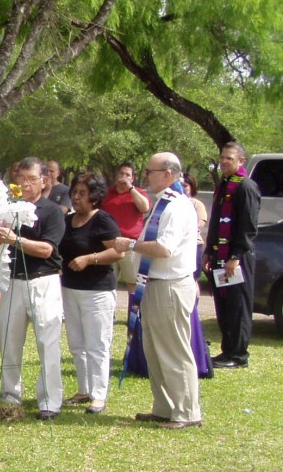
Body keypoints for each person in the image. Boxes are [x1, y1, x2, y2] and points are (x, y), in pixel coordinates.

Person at [114, 152, 202, 429]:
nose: (145, 176)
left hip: (170, 285)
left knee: (174, 350)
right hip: (154, 283)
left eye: (149, 172)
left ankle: (187, 411)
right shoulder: (162, 203)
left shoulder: (177, 207)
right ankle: (164, 407)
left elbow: (164, 248)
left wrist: (129, 245)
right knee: (154, 349)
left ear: (167, 174)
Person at [0, 157, 66, 420]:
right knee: (8, 339)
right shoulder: (8, 209)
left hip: (43, 280)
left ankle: (50, 401)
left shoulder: (51, 211)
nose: (25, 184)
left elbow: (46, 249)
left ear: (44, 181)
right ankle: (10, 394)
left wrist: (15, 240)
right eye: (20, 178)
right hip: (13, 281)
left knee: (47, 342)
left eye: (31, 179)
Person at [58, 173, 122, 415]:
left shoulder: (103, 220)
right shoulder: (68, 221)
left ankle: (99, 394)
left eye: (82, 193)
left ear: (95, 197)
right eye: (74, 192)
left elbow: (118, 252)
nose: (76, 197)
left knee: (97, 344)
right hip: (70, 288)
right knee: (76, 343)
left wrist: (89, 259)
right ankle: (84, 389)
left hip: (97, 291)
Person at [203, 142, 260, 369]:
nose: (224, 162)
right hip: (220, 255)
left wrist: (235, 256)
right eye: (222, 157)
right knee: (224, 304)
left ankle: (238, 355)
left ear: (241, 161)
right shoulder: (224, 185)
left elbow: (248, 226)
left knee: (238, 305)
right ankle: (228, 350)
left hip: (237, 258)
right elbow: (216, 223)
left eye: (229, 158)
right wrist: (209, 250)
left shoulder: (245, 187)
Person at [103, 161, 150, 295]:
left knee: (133, 283)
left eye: (127, 175)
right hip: (110, 244)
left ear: (132, 178)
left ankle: (134, 309)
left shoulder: (138, 193)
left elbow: (145, 208)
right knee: (107, 282)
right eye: (121, 174)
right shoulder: (107, 193)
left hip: (130, 245)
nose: (124, 177)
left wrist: (131, 189)